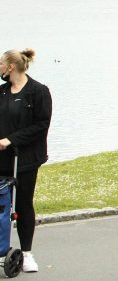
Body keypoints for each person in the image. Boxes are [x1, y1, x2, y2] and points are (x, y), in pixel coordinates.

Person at [0, 49, 51, 274]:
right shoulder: (2, 92)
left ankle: (27, 253)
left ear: (11, 67)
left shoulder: (38, 92)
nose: (0, 67)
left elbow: (41, 125)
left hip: (26, 159)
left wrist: (11, 139)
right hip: (2, 158)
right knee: (2, 204)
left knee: (23, 204)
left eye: (1, 63)